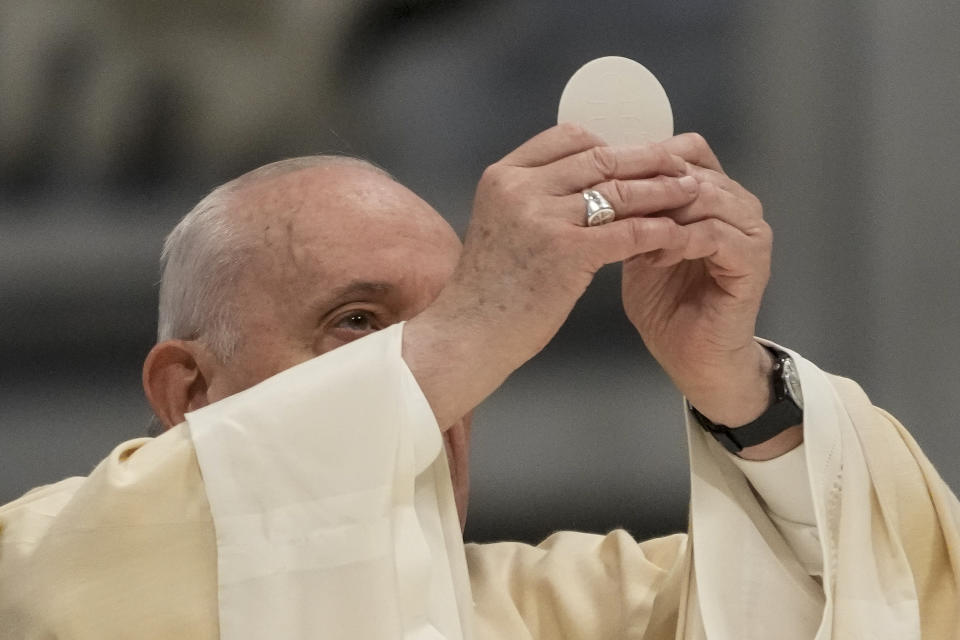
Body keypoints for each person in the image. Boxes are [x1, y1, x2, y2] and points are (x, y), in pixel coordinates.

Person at [0, 126, 957, 639]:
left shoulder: (568, 614)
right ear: (187, 397)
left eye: (462, 323)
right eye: (360, 325)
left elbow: (873, 597)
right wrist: (473, 323)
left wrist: (742, 391)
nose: (451, 384)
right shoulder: (42, 562)